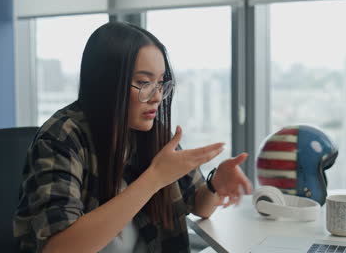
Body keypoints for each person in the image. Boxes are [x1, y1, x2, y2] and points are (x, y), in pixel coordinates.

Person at [13, 21, 252, 253]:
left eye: (160, 84)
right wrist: (154, 178)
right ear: (106, 82)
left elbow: (199, 205)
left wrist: (214, 185)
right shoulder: (61, 138)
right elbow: (59, 248)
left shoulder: (153, 134)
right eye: (144, 82)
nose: (158, 97)